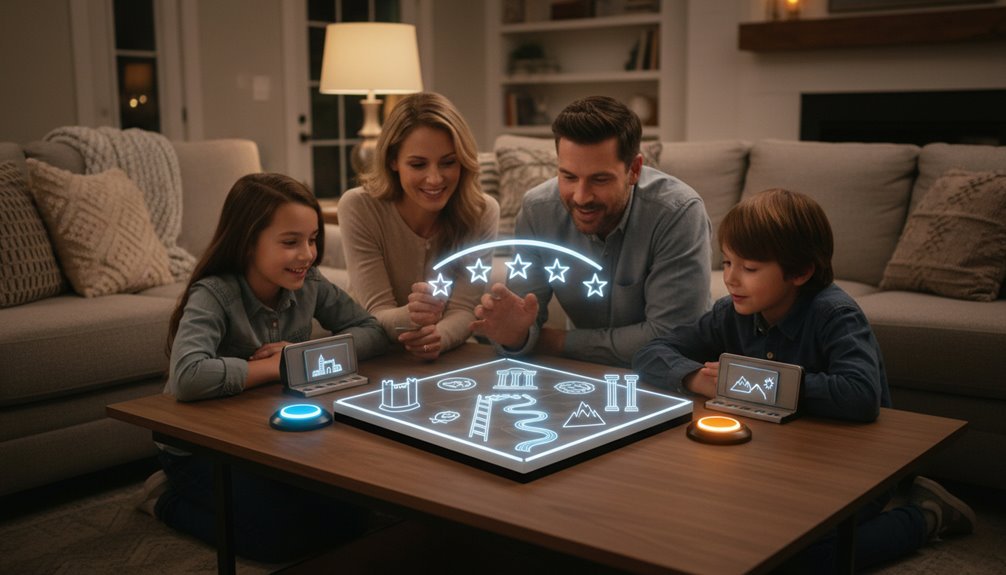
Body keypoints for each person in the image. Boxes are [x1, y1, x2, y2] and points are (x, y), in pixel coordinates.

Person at [633, 188, 975, 571]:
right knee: (706, 525)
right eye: (727, 262)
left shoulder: (835, 314)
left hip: (852, 466)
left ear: (800, 271)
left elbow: (860, 395)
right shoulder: (733, 312)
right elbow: (652, 353)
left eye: (749, 268)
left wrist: (747, 382)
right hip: (776, 463)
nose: (730, 278)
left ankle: (926, 515)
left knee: (806, 559)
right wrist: (696, 377)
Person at [146, 172, 388, 563]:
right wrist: (280, 367)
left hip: (268, 437)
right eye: (290, 242)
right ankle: (163, 499)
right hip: (199, 449)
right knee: (278, 541)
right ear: (247, 243)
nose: (307, 254)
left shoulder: (309, 283)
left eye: (312, 239)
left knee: (354, 515)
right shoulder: (214, 293)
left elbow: (372, 332)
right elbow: (187, 378)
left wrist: (300, 352)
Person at [472, 95, 711, 366]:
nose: (581, 197)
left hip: (672, 374)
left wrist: (554, 342)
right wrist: (514, 336)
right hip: (585, 371)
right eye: (569, 177)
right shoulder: (537, 210)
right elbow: (522, 323)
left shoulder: (678, 212)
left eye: (600, 179)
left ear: (634, 170)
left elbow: (671, 337)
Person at [339, 92, 499, 360]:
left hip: (447, 352)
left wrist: (439, 337)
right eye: (418, 164)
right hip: (374, 353)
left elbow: (463, 308)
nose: (435, 179)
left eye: (448, 162)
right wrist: (412, 317)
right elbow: (376, 312)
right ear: (393, 161)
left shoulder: (482, 212)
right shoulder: (358, 207)